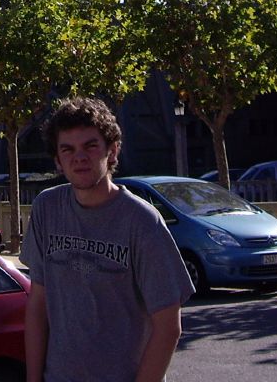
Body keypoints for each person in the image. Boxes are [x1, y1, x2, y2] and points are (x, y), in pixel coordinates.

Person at [20, 97, 192, 382]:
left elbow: (168, 326)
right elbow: (38, 305)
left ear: (112, 152)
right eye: (68, 149)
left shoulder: (142, 222)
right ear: (58, 161)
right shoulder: (46, 208)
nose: (79, 157)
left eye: (90, 146)